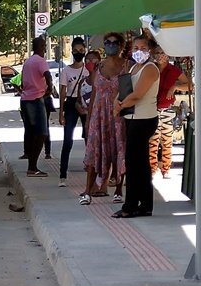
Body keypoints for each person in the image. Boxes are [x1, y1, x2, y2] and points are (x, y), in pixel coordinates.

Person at [113, 35, 161, 218]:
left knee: (134, 162)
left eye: (142, 47)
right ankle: (144, 204)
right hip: (132, 117)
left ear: (149, 50)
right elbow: (123, 90)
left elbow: (137, 94)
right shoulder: (134, 67)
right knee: (139, 163)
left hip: (144, 118)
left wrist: (120, 105)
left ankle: (130, 205)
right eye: (135, 48)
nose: (138, 51)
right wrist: (116, 103)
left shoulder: (150, 69)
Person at [79, 32, 127, 205]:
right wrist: (88, 119)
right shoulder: (99, 67)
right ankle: (87, 191)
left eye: (115, 42)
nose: (111, 45)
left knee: (118, 150)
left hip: (117, 115)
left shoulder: (127, 66)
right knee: (94, 150)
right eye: (107, 42)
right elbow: (94, 95)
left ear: (121, 46)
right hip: (98, 116)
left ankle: (119, 189)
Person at [149, 47, 190, 178]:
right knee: (152, 141)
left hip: (167, 109)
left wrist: (175, 86)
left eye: (162, 53)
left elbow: (189, 85)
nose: (160, 55)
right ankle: (152, 169)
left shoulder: (173, 70)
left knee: (166, 140)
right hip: (152, 108)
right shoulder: (150, 69)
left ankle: (166, 169)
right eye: (157, 53)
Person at [18, 35, 54, 177]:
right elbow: (48, 76)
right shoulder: (40, 61)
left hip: (25, 100)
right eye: (44, 46)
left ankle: (31, 166)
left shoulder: (28, 62)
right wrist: (49, 89)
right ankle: (32, 167)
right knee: (42, 133)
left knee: (32, 133)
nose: (45, 49)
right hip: (36, 99)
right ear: (40, 47)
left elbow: (22, 83)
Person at [56, 36, 89, 187]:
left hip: (86, 104)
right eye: (75, 51)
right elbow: (63, 91)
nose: (78, 53)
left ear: (85, 51)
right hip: (71, 103)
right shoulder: (66, 71)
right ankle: (62, 175)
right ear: (71, 52)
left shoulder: (88, 70)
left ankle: (91, 170)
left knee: (89, 139)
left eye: (81, 50)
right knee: (67, 140)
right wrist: (61, 112)